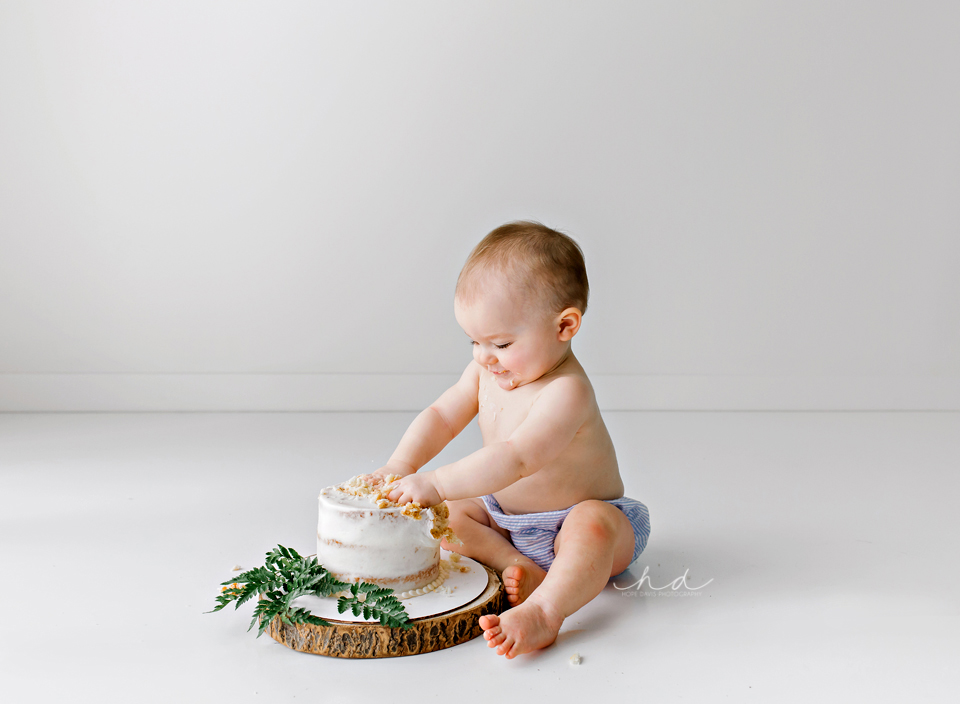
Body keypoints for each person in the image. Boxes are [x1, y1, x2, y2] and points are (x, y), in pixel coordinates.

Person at [374, 221, 650, 659]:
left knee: (592, 526)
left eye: (501, 343)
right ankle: (516, 565)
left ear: (564, 326)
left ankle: (545, 611)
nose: (485, 357)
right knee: (447, 518)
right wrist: (401, 465)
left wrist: (437, 482)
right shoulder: (485, 371)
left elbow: (516, 457)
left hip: (578, 522)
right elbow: (442, 416)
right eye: (474, 341)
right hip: (506, 520)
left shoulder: (566, 392)